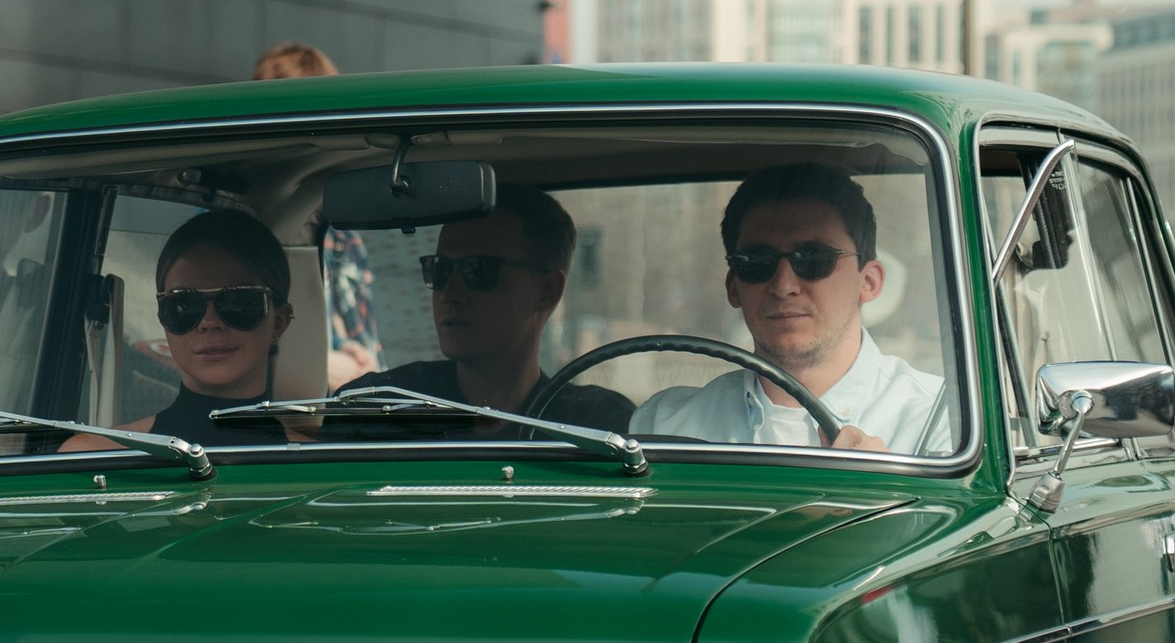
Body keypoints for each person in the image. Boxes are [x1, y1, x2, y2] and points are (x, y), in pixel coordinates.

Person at [633, 162, 949, 454]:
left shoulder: (938, 423)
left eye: (813, 259)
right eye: (756, 262)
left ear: (869, 282)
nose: (784, 285)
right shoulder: (664, 426)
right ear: (733, 287)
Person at [336, 186, 635, 437]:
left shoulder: (597, 429)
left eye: (478, 271)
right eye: (439, 270)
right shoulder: (379, 408)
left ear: (547, 291)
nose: (450, 293)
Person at [71, 208, 294, 453]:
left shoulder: (325, 463)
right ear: (163, 319)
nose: (209, 322)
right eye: (183, 305)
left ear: (279, 321)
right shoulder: (94, 454)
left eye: (237, 302)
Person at [253, 45, 379, 385]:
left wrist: (360, 358)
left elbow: (361, 331)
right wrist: (319, 363)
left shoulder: (340, 228)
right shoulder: (234, 224)